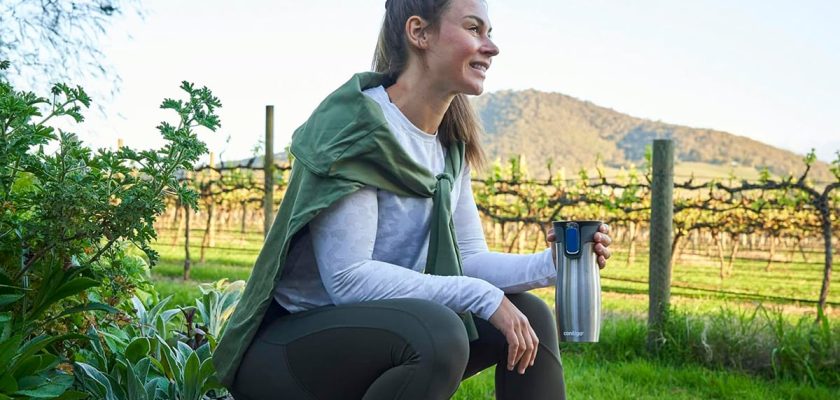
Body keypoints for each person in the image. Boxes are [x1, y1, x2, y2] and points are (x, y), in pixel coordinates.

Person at [213, 0, 613, 399]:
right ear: (419, 32)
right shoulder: (357, 128)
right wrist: (481, 295)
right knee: (439, 333)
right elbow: (347, 280)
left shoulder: (449, 147)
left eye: (489, 33)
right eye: (474, 29)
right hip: (290, 356)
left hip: (374, 338)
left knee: (531, 316)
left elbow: (469, 259)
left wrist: (558, 265)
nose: (491, 47)